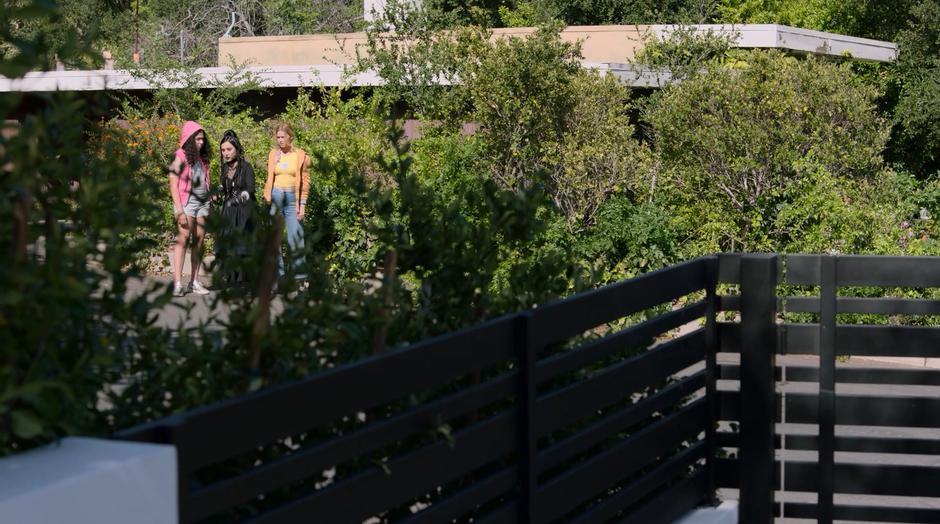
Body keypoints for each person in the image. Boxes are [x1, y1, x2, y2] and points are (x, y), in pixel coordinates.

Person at [168, 120, 212, 297]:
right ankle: (178, 283)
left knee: (199, 242)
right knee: (183, 240)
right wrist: (179, 211)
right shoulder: (179, 155)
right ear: (189, 139)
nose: (201, 142)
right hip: (187, 204)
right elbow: (172, 184)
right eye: (198, 139)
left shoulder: (202, 158)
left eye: (202, 139)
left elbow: (205, 181)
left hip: (203, 203)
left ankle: (194, 282)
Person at [262, 122, 310, 279]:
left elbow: (305, 183)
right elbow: (270, 178)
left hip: (292, 200)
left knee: (295, 238)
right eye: (278, 137)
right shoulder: (273, 154)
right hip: (276, 197)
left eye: (283, 137)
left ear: (291, 137)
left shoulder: (301, 156)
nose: (280, 140)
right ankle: (278, 275)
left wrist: (302, 206)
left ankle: (299, 279)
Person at [217, 129, 256, 285]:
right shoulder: (225, 168)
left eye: (229, 149)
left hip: (244, 212)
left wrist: (236, 200)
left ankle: (243, 281)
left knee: (242, 247)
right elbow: (224, 187)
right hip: (228, 212)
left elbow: (250, 190)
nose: (225, 153)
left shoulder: (246, 167)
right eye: (223, 150)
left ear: (237, 150)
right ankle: (230, 279)